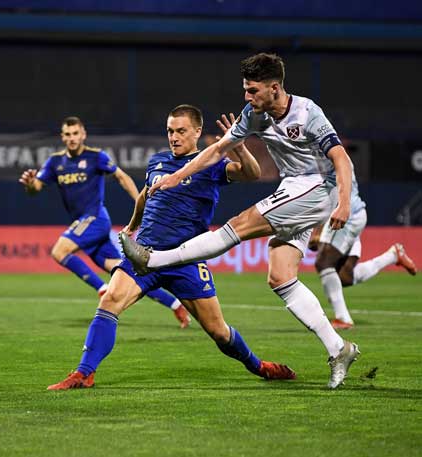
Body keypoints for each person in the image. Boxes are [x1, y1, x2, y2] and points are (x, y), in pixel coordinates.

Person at [120, 53, 359, 389]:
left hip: (318, 189)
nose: (247, 97)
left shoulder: (308, 113)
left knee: (238, 225)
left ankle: (153, 260)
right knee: (280, 278)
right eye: (246, 90)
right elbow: (218, 149)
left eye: (253, 90)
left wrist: (344, 203)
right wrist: (177, 177)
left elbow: (341, 158)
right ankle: (339, 348)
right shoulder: (254, 114)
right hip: (293, 188)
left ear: (274, 88)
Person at [47, 105, 296, 390]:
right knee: (109, 301)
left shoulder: (210, 164)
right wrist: (132, 226)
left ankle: (259, 366)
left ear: (197, 132)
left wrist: (236, 143)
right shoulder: (158, 162)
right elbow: (143, 196)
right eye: (170, 131)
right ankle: (84, 373)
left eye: (181, 131)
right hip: (146, 256)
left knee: (218, 331)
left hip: (186, 259)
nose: (174, 137)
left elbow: (252, 174)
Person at [20, 116, 191, 328]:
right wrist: (29, 184)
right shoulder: (55, 162)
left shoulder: (96, 157)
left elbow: (122, 176)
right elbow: (35, 188)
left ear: (83, 134)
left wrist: (142, 201)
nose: (72, 138)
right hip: (84, 225)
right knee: (127, 273)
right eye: (68, 134)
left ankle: (101, 289)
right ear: (62, 137)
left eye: (76, 133)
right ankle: (176, 305)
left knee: (59, 251)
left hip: (95, 219)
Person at [310, 207, 417, 329]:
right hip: (340, 224)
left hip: (343, 224)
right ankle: (392, 256)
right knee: (345, 278)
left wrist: (318, 233)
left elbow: (329, 201)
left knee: (324, 263)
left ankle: (343, 318)